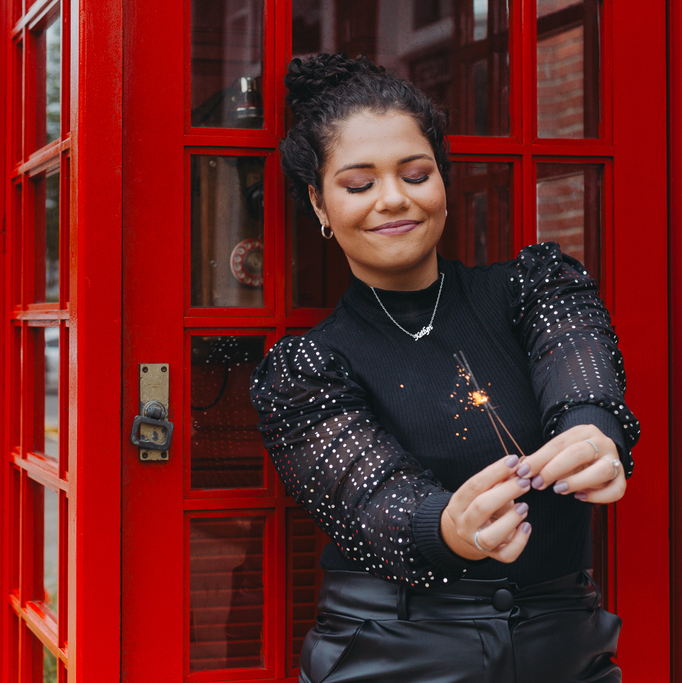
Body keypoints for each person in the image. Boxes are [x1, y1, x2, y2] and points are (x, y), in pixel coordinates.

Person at [250, 54, 640, 683]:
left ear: (442, 181)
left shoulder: (534, 288)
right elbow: (374, 501)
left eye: (416, 174)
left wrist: (593, 433)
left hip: (564, 649)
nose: (394, 199)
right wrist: (448, 528)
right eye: (359, 185)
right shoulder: (306, 369)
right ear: (319, 205)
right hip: (391, 654)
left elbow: (579, 368)